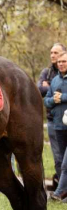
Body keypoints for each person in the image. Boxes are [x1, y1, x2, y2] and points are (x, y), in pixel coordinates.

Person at [40, 43, 66, 189]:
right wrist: (52, 97)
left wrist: (61, 97)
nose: (53, 56)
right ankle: (62, 190)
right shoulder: (49, 73)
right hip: (54, 122)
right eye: (51, 53)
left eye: (56, 53)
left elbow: (49, 91)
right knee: (58, 159)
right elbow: (42, 93)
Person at [45, 51, 67, 202]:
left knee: (66, 163)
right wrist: (53, 100)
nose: (61, 64)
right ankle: (63, 194)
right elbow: (46, 101)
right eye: (59, 62)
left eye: (64, 61)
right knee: (59, 162)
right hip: (58, 126)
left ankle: (59, 192)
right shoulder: (54, 80)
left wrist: (63, 98)